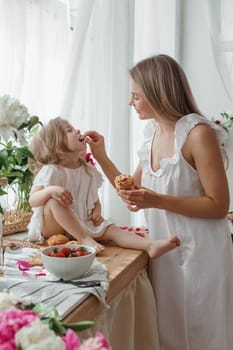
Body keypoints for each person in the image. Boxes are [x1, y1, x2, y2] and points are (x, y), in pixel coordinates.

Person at [84, 54, 233, 350]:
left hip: (204, 255)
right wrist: (101, 155)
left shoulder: (198, 134)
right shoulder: (150, 133)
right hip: (167, 255)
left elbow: (219, 204)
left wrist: (156, 200)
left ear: (157, 92)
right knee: (171, 336)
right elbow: (133, 192)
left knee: (205, 336)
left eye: (136, 96)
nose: (131, 103)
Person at [27, 116, 180, 258]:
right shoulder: (52, 170)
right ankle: (84, 238)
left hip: (79, 222)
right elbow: (33, 200)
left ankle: (150, 245)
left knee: (111, 228)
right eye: (69, 130)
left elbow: (92, 196)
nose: (78, 131)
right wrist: (49, 191)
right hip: (53, 227)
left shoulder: (86, 169)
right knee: (53, 201)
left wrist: (96, 211)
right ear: (57, 145)